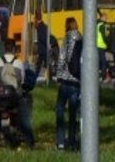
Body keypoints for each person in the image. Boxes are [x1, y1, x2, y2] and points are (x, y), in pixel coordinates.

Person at [0, 42, 33, 147]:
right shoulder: (18, 62)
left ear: (4, 49)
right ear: (14, 50)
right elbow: (22, 81)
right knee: (24, 117)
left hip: (0, 96)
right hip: (14, 96)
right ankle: (29, 141)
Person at [54, 17, 82, 150]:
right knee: (73, 113)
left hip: (65, 81)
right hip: (77, 82)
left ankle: (60, 141)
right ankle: (71, 142)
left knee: (59, 110)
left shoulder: (66, 38)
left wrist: (58, 77)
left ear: (67, 25)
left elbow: (62, 58)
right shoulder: (81, 39)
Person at [33, 15, 49, 81]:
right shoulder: (45, 26)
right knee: (43, 63)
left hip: (42, 48)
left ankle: (36, 76)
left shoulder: (39, 27)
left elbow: (42, 38)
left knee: (40, 64)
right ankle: (37, 76)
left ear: (36, 20)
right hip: (44, 48)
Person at [95, 10, 108, 81]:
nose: (106, 19)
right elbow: (104, 37)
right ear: (102, 17)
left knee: (98, 61)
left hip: (97, 45)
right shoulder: (102, 26)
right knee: (103, 62)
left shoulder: (97, 24)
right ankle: (103, 76)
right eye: (106, 18)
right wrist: (107, 44)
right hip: (101, 45)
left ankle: (98, 75)